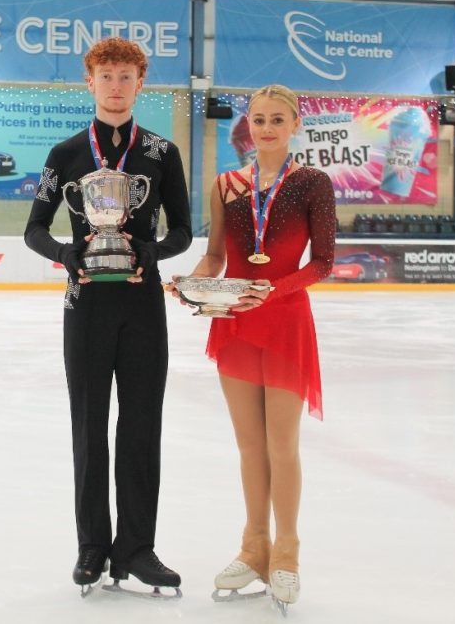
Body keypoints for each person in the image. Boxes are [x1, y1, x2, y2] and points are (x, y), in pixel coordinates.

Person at [24, 37, 192, 595]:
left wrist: (152, 251)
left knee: (142, 428)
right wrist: (65, 255)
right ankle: (93, 545)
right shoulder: (65, 154)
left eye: (126, 76)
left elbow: (184, 231)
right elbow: (34, 229)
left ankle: (137, 549)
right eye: (106, 75)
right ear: (89, 81)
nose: (116, 85)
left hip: (143, 305)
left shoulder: (163, 154)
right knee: (90, 428)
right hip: (87, 305)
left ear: (141, 83)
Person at [170, 84, 336, 611]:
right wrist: (191, 283)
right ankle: (253, 546)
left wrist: (275, 289)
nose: (265, 128)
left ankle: (286, 554)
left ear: (293, 126)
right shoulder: (227, 185)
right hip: (237, 323)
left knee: (281, 445)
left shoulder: (312, 183)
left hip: (285, 321)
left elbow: (323, 263)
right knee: (248, 446)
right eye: (258, 120)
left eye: (276, 120)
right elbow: (216, 255)